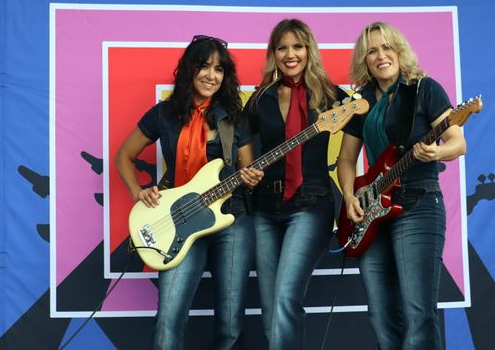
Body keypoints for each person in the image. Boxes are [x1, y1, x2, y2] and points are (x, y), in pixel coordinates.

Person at [115, 35, 264, 350]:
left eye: (219, 69)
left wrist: (251, 178)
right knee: (168, 318)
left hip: (231, 219)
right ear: (189, 69)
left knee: (231, 323)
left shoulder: (234, 117)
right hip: (177, 219)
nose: (212, 75)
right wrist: (138, 192)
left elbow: (247, 168)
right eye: (204, 66)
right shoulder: (163, 114)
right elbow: (123, 156)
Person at [337, 21, 467, 350]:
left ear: (399, 51)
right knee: (381, 316)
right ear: (364, 61)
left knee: (417, 314)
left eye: (387, 47)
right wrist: (350, 197)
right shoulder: (361, 102)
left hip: (418, 204)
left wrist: (437, 152)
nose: (381, 56)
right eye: (372, 51)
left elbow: (458, 143)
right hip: (372, 211)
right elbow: (346, 160)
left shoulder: (424, 89)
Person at [245, 19, 347, 349]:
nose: (290, 54)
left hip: (311, 206)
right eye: (282, 48)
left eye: (297, 46)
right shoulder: (260, 98)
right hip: (264, 210)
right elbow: (241, 145)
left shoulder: (332, 95)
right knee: (270, 306)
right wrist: (246, 170)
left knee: (286, 297)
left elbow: (365, 128)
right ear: (273, 54)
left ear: (309, 50)